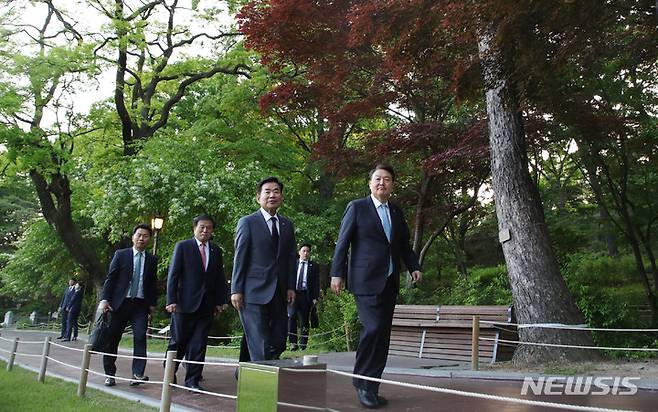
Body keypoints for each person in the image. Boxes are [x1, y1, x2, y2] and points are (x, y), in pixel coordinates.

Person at [331, 164, 422, 409]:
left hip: (389, 282)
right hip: (364, 280)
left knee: (382, 335)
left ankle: (372, 385)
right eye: (378, 179)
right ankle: (361, 383)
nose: (382, 183)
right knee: (373, 329)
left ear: (392, 185)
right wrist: (336, 274)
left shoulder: (396, 211)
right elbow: (343, 242)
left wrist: (414, 266)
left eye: (388, 179)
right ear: (369, 183)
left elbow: (403, 244)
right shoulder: (357, 207)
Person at [231, 176, 297, 362]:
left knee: (278, 341)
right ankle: (260, 385)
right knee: (260, 341)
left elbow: (291, 258)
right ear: (258, 197)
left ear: (282, 197)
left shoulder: (287, 224)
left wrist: (291, 286)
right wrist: (236, 289)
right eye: (267, 192)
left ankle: (243, 371)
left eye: (276, 191)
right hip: (252, 291)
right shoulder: (247, 222)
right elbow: (240, 256)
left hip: (279, 292)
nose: (272, 195)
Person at [166, 214, 229, 391]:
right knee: (178, 341)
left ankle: (192, 380)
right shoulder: (183, 246)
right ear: (194, 228)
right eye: (202, 227)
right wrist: (171, 300)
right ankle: (169, 373)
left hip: (206, 305)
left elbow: (219, 278)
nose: (205, 230)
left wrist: (221, 301)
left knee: (199, 343)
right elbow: (173, 275)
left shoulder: (216, 251)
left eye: (209, 228)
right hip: (183, 304)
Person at [98, 224, 158, 387]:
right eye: (139, 235)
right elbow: (111, 279)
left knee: (140, 337)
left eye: (145, 236)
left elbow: (152, 284)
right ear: (133, 237)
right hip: (119, 304)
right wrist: (105, 300)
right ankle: (109, 374)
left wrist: (152, 304)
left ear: (149, 239)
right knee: (113, 339)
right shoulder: (121, 255)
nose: (141, 238)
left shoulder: (152, 259)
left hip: (140, 305)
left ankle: (137, 373)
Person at [287, 243, 320, 351]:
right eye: (304, 251)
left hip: (306, 295)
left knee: (304, 320)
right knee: (291, 316)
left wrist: (315, 297)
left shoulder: (313, 266)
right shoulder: (294, 264)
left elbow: (316, 283)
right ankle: (293, 343)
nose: (306, 253)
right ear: (299, 252)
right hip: (294, 294)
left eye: (308, 251)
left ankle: (303, 344)